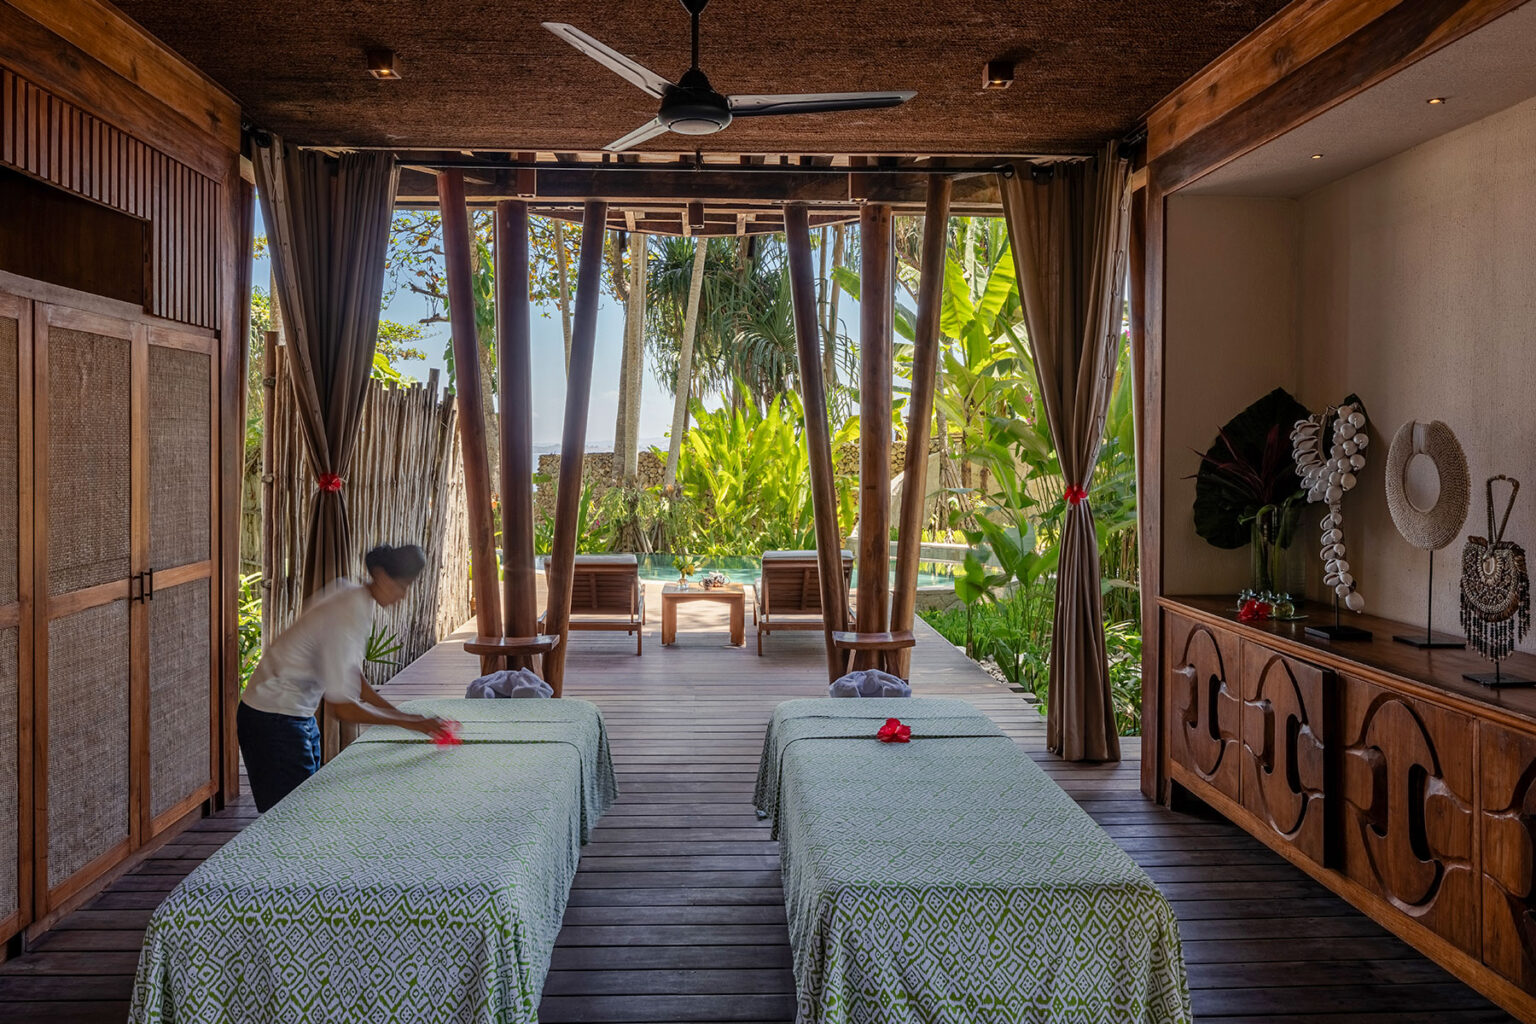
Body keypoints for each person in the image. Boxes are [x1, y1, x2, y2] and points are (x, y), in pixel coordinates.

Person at [237, 543, 455, 812]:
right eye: (402, 586)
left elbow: (351, 674)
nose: (404, 595)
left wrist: (402, 714)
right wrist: (410, 723)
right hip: (272, 720)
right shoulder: (348, 612)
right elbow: (343, 708)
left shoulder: (352, 594)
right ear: (382, 576)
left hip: (295, 716)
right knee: (289, 818)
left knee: (304, 809)